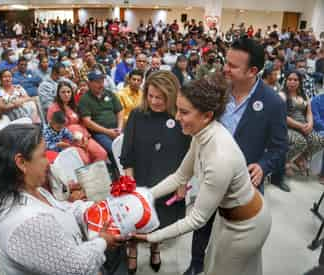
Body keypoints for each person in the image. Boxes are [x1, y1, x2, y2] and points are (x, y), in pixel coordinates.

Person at [134, 76, 272, 275]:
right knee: (216, 265)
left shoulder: (219, 158)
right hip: (230, 217)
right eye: (178, 109)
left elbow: (197, 219)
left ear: (207, 115)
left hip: (247, 226)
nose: (176, 117)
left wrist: (150, 238)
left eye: (184, 112)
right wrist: (144, 196)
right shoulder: (202, 134)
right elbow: (180, 176)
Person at [184, 37, 288, 275]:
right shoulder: (216, 90)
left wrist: (263, 165)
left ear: (253, 71)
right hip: (211, 174)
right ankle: (196, 265)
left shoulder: (272, 102)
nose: (225, 69)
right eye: (226, 62)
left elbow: (279, 147)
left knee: (234, 240)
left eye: (232, 66)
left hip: (244, 186)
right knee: (202, 223)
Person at [0, 123, 124, 274]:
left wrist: (98, 208)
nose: (48, 162)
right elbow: (75, 269)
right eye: (42, 155)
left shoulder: (33, 190)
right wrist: (102, 242)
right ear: (21, 162)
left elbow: (64, 209)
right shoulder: (25, 221)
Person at [121, 70, 191, 274]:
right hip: (139, 178)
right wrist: (129, 181)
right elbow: (128, 152)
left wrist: (182, 183)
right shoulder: (137, 115)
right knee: (135, 219)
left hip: (167, 181)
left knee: (158, 221)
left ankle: (155, 248)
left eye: (160, 97)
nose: (154, 101)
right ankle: (132, 250)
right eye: (150, 95)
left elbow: (186, 155)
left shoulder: (180, 118)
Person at [47, 81, 107, 163]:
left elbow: (82, 123)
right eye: (63, 92)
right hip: (67, 142)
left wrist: (85, 137)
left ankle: (97, 175)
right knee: (84, 160)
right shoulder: (53, 109)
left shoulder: (74, 106)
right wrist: (72, 141)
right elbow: (53, 131)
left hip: (83, 137)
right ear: (58, 94)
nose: (66, 94)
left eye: (68, 92)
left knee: (102, 154)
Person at [279, 71, 324, 176]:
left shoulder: (304, 95)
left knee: (319, 140)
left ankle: (301, 157)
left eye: (295, 80)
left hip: (304, 126)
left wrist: (310, 124)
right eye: (290, 79)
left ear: (300, 82)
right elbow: (283, 116)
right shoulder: (282, 95)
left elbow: (309, 113)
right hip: (287, 127)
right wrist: (300, 126)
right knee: (301, 141)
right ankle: (284, 162)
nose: (292, 82)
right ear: (286, 81)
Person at [78, 70, 123, 159]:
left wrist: (119, 128)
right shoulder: (84, 99)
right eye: (98, 82)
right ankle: (116, 171)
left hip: (116, 129)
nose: (101, 85)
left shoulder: (109, 94)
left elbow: (120, 111)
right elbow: (87, 122)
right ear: (89, 83)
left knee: (130, 145)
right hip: (100, 133)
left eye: (102, 81)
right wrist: (108, 132)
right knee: (113, 149)